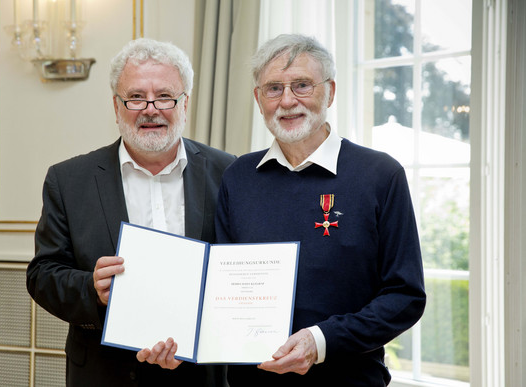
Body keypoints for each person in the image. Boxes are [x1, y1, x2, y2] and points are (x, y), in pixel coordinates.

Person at [214, 34, 426, 386]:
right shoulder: (238, 177)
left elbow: (405, 296)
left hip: (350, 380)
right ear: (257, 98)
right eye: (273, 89)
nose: (287, 101)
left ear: (330, 92)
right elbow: (222, 286)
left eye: (301, 85)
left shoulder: (381, 175)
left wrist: (320, 341)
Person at [26, 38, 236, 387]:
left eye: (165, 96)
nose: (150, 109)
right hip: (105, 372)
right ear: (116, 104)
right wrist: (91, 287)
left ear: (186, 103)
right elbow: (42, 275)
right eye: (136, 97)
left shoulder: (229, 172)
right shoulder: (68, 180)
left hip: (201, 374)